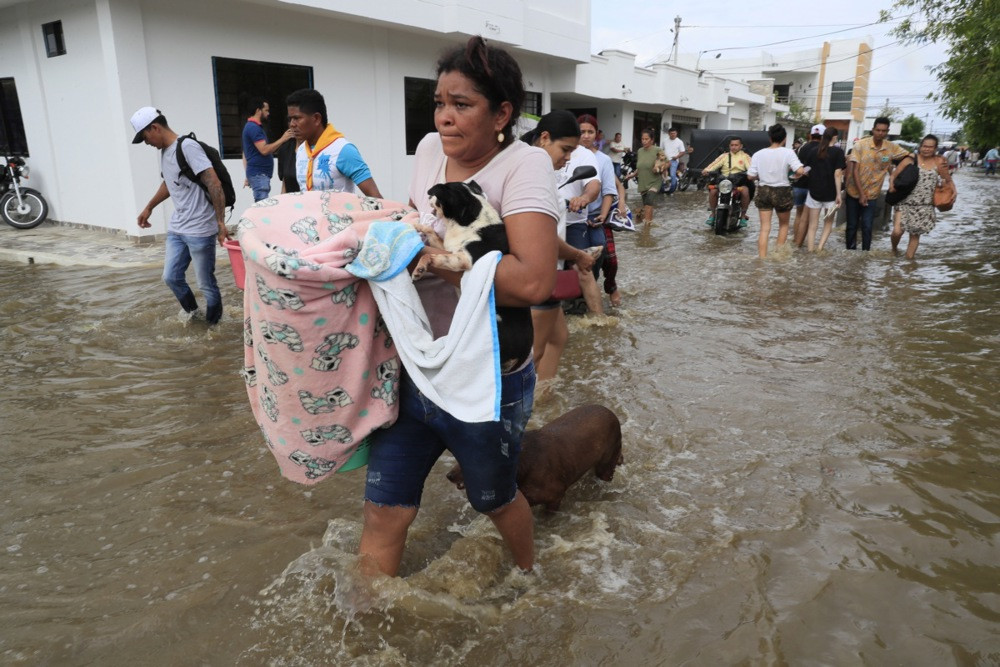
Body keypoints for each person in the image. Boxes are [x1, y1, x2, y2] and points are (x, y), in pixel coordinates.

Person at [358, 36, 561, 577]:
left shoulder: (524, 166)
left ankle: (529, 579)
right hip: (418, 363)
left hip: (488, 375)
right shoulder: (430, 150)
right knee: (384, 510)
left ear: (502, 114)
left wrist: (438, 261)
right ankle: (363, 617)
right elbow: (417, 224)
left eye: (462, 105)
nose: (444, 118)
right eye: (439, 103)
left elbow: (533, 281)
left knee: (493, 499)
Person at [130, 107, 228, 325]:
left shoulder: (188, 147)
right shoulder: (165, 152)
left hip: (200, 228)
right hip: (178, 227)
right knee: (171, 277)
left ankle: (213, 327)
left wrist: (220, 223)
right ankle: (195, 317)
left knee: (206, 284)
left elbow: (214, 182)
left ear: (155, 127)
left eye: (145, 137)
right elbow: (169, 182)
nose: (146, 143)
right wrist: (149, 207)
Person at [522, 110, 600, 381]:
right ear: (544, 138)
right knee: (533, 353)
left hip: (546, 275)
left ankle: (545, 396)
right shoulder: (532, 178)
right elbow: (544, 239)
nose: (567, 158)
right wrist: (578, 255)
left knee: (558, 337)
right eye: (565, 150)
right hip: (537, 275)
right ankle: (526, 401)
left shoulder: (537, 172)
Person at [286, 88, 382, 197]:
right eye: (290, 119)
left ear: (316, 119)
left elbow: (376, 198)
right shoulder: (301, 150)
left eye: (297, 118)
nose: (292, 124)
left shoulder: (343, 150)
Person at [578, 114, 627, 309]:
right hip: (572, 216)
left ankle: (605, 286)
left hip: (596, 215)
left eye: (590, 132)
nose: (586, 136)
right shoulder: (567, 155)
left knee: (606, 255)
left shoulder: (603, 160)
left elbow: (609, 190)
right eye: (582, 132)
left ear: (596, 134)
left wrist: (603, 215)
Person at [845, 117, 911, 250]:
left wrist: (894, 176)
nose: (880, 133)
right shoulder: (860, 145)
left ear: (887, 131)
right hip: (854, 192)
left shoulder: (891, 148)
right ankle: (850, 252)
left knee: (868, 226)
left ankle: (865, 254)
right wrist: (861, 194)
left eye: (883, 131)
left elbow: (910, 157)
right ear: (873, 130)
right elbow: (855, 171)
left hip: (872, 194)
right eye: (878, 130)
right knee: (852, 225)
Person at [889, 134, 952, 259]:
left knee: (915, 235)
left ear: (935, 148)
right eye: (924, 146)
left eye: (930, 147)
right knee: (897, 231)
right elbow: (894, 175)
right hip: (904, 201)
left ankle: (909, 263)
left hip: (925, 205)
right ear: (920, 146)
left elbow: (947, 180)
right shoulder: (910, 159)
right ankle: (894, 249)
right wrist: (891, 186)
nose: (926, 149)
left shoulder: (939, 162)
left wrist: (951, 191)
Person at [747, 123, 805, 258]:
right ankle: (778, 256)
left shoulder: (758, 154)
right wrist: (793, 173)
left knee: (764, 228)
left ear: (770, 138)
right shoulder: (788, 152)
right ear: (784, 138)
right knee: (783, 225)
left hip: (763, 191)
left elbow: (750, 176)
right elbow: (800, 170)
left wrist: (762, 174)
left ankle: (762, 258)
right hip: (782, 191)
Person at [800, 127, 846, 252]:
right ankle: (820, 248)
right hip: (831, 194)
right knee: (828, 222)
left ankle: (810, 250)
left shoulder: (814, 151)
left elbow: (805, 171)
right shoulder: (838, 152)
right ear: (835, 137)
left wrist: (814, 177)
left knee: (812, 224)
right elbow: (838, 174)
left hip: (814, 192)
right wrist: (839, 194)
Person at [241, 97, 294, 202]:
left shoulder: (252, 127)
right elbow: (264, 150)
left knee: (262, 204)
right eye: (266, 110)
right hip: (259, 174)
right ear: (258, 110)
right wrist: (283, 139)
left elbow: (245, 153)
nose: (268, 113)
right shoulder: (253, 128)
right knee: (262, 205)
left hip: (259, 174)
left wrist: (248, 175)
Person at [702, 136, 752, 228]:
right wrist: (706, 170)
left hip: (738, 182)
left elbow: (751, 168)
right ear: (729, 146)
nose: (734, 147)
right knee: (713, 191)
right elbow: (714, 164)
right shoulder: (723, 156)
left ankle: (743, 216)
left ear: (741, 146)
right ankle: (713, 214)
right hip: (724, 182)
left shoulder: (745, 157)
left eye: (736, 145)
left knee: (745, 191)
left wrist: (752, 174)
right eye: (732, 145)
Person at [792, 125, 824, 247]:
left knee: (799, 215)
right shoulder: (823, 149)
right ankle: (803, 243)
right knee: (810, 218)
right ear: (823, 137)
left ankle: (796, 242)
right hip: (813, 187)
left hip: (799, 185)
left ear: (810, 135)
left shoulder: (801, 148)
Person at [627, 128, 664, 226]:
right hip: (643, 181)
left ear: (652, 140)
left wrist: (658, 167)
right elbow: (640, 167)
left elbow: (667, 162)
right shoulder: (640, 151)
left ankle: (646, 226)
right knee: (646, 205)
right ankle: (648, 223)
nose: (644, 141)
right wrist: (632, 175)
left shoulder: (658, 150)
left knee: (649, 200)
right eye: (642, 139)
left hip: (655, 180)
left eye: (646, 139)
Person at [661, 126, 685, 194]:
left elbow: (682, 152)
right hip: (665, 160)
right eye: (671, 133)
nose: (673, 134)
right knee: (662, 174)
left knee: (672, 175)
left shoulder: (679, 142)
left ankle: (672, 189)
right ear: (669, 134)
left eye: (674, 133)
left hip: (674, 160)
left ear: (676, 133)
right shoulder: (665, 140)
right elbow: (661, 150)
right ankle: (662, 188)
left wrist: (676, 157)